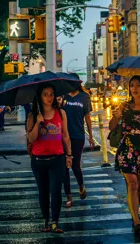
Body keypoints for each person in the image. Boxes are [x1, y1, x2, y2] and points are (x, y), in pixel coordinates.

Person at [110, 75, 140, 234]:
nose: (134, 89)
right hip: (126, 147)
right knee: (132, 183)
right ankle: (136, 219)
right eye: (132, 85)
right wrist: (115, 116)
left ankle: (134, 210)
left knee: (139, 185)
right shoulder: (124, 106)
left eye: (138, 85)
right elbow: (111, 127)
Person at [26, 84, 72, 234]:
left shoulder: (61, 113)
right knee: (43, 191)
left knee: (56, 191)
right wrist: (38, 122)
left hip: (57, 158)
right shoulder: (33, 116)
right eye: (45, 94)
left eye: (51, 94)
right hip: (39, 160)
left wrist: (69, 155)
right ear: (40, 96)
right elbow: (31, 139)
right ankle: (46, 220)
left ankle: (55, 222)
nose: (49, 97)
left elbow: (65, 135)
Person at [61, 74, 94, 208]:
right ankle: (69, 196)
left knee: (75, 165)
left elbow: (88, 117)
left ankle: (81, 185)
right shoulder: (63, 96)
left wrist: (90, 136)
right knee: (64, 168)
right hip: (63, 136)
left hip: (78, 136)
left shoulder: (84, 97)